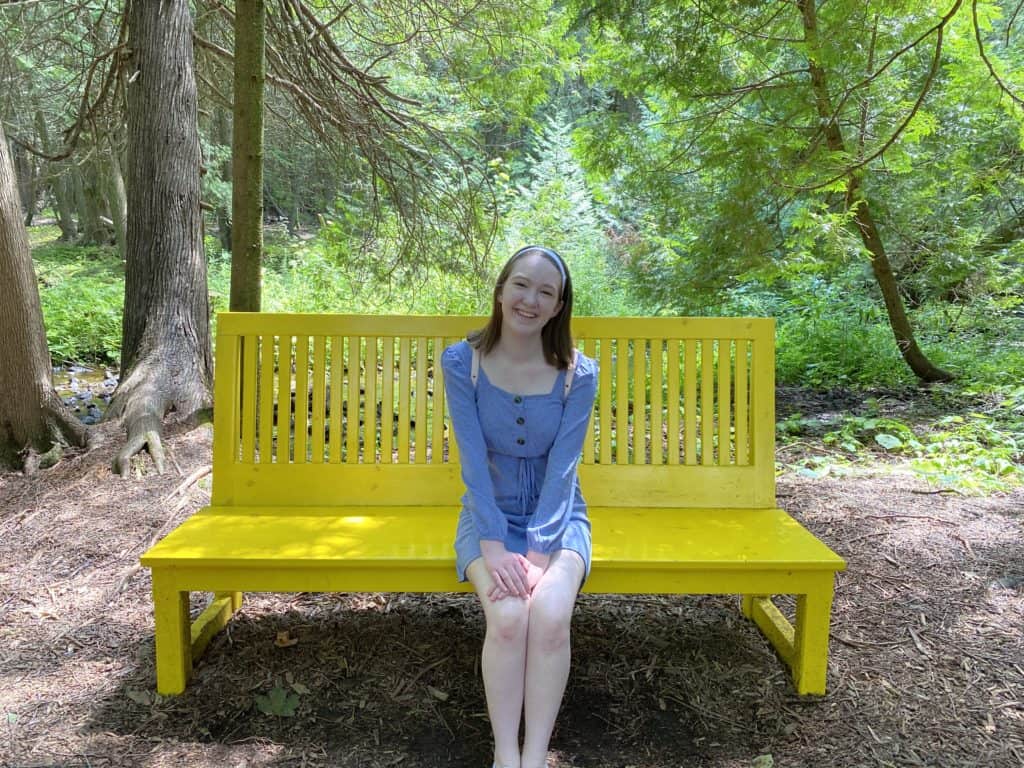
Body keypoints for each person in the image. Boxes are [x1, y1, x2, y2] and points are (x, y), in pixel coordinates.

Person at [441, 245, 598, 768]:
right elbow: (471, 461)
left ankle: (535, 757)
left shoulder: (579, 373)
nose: (530, 300)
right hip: (489, 517)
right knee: (508, 618)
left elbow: (564, 469)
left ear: (558, 307)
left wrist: (537, 553)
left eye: (546, 292)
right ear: (501, 290)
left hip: (557, 519)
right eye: (522, 285)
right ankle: (505, 755)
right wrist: (492, 542)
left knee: (550, 614)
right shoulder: (464, 363)